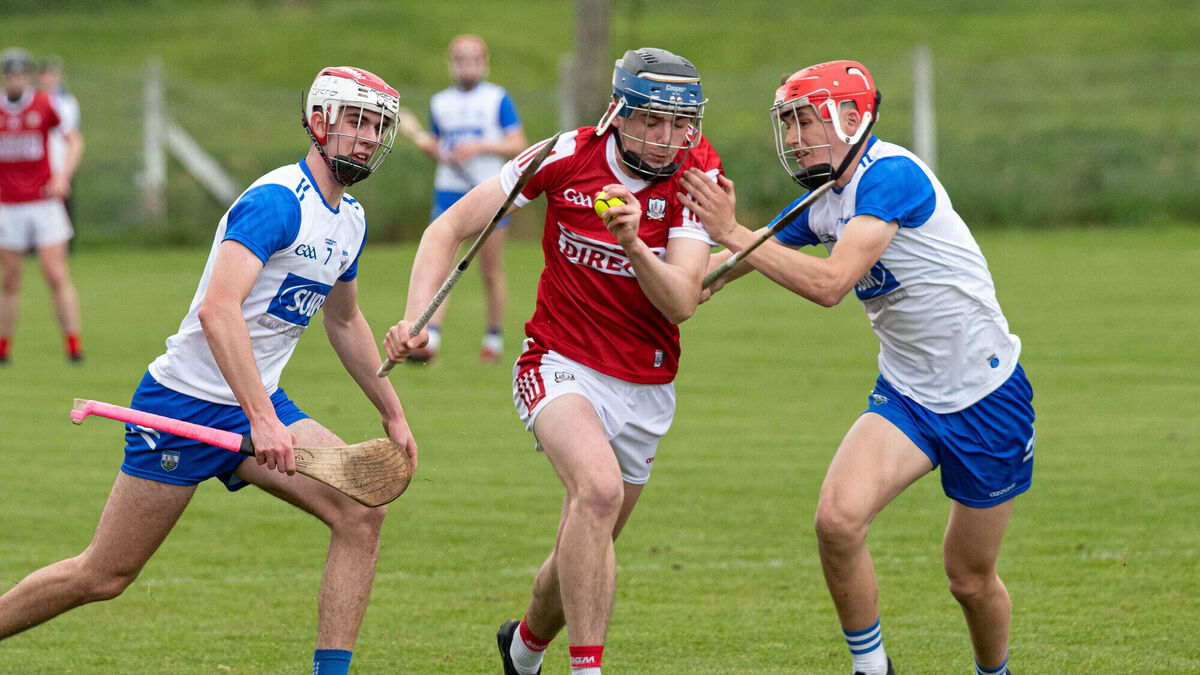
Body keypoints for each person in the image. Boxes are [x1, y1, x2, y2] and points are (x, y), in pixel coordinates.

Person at [0, 65, 419, 675]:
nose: (365, 138)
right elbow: (219, 311)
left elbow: (344, 322)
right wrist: (261, 419)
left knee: (361, 512)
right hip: (180, 407)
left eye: (376, 127)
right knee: (104, 573)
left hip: (258, 404)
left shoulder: (348, 221)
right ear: (320, 120)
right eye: (356, 121)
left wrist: (393, 414)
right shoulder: (277, 203)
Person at [679, 60, 1033, 675]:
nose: (794, 138)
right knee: (837, 521)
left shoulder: (890, 175)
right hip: (907, 398)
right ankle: (872, 669)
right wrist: (643, 255)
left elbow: (830, 284)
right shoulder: (823, 201)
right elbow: (718, 272)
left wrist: (731, 233)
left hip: (986, 398)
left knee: (968, 580)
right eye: (787, 125)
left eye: (806, 121)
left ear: (851, 118)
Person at [385, 47, 721, 675]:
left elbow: (679, 301)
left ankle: (522, 650)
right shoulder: (565, 156)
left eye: (681, 123)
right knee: (597, 490)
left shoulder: (698, 173)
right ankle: (587, 669)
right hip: (557, 362)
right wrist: (416, 318)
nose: (667, 137)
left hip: (646, 384)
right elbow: (449, 227)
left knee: (580, 555)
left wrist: (631, 245)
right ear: (619, 112)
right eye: (652, 120)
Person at [406, 34, 528, 364]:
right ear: (452, 64)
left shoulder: (497, 98)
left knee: (490, 269)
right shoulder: (440, 102)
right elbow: (437, 142)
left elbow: (518, 142)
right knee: (443, 266)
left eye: (474, 60)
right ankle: (430, 338)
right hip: (449, 190)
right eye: (461, 61)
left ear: (484, 64)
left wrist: (479, 148)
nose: (468, 66)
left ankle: (493, 337)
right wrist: (430, 147)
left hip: (490, 189)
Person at [0, 47, 85, 363]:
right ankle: (4, 348)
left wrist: (63, 176)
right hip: (8, 206)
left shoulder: (43, 104)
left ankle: (74, 345)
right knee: (10, 280)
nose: (15, 80)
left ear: (28, 77)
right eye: (10, 75)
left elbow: (73, 140)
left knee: (55, 273)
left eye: (20, 74)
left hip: (43, 202)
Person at [36, 56, 81, 224]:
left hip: (60, 157)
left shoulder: (67, 102)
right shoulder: (33, 102)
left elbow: (73, 135)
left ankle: (63, 246)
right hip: (39, 159)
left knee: (61, 205)